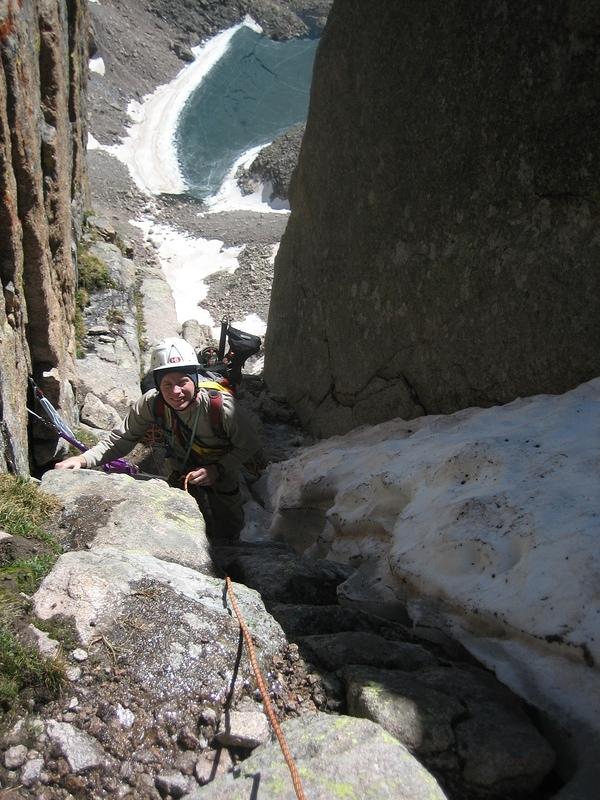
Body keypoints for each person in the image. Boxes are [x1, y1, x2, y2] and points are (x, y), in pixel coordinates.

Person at [55, 337, 261, 542]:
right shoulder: (152, 403)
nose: (175, 392)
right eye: (167, 384)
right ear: (157, 384)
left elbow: (249, 445)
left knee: (229, 524)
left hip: (222, 467)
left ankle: (229, 551)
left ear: (195, 380)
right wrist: (82, 460)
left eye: (182, 382)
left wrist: (218, 469)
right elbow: (121, 439)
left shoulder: (221, 408)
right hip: (181, 467)